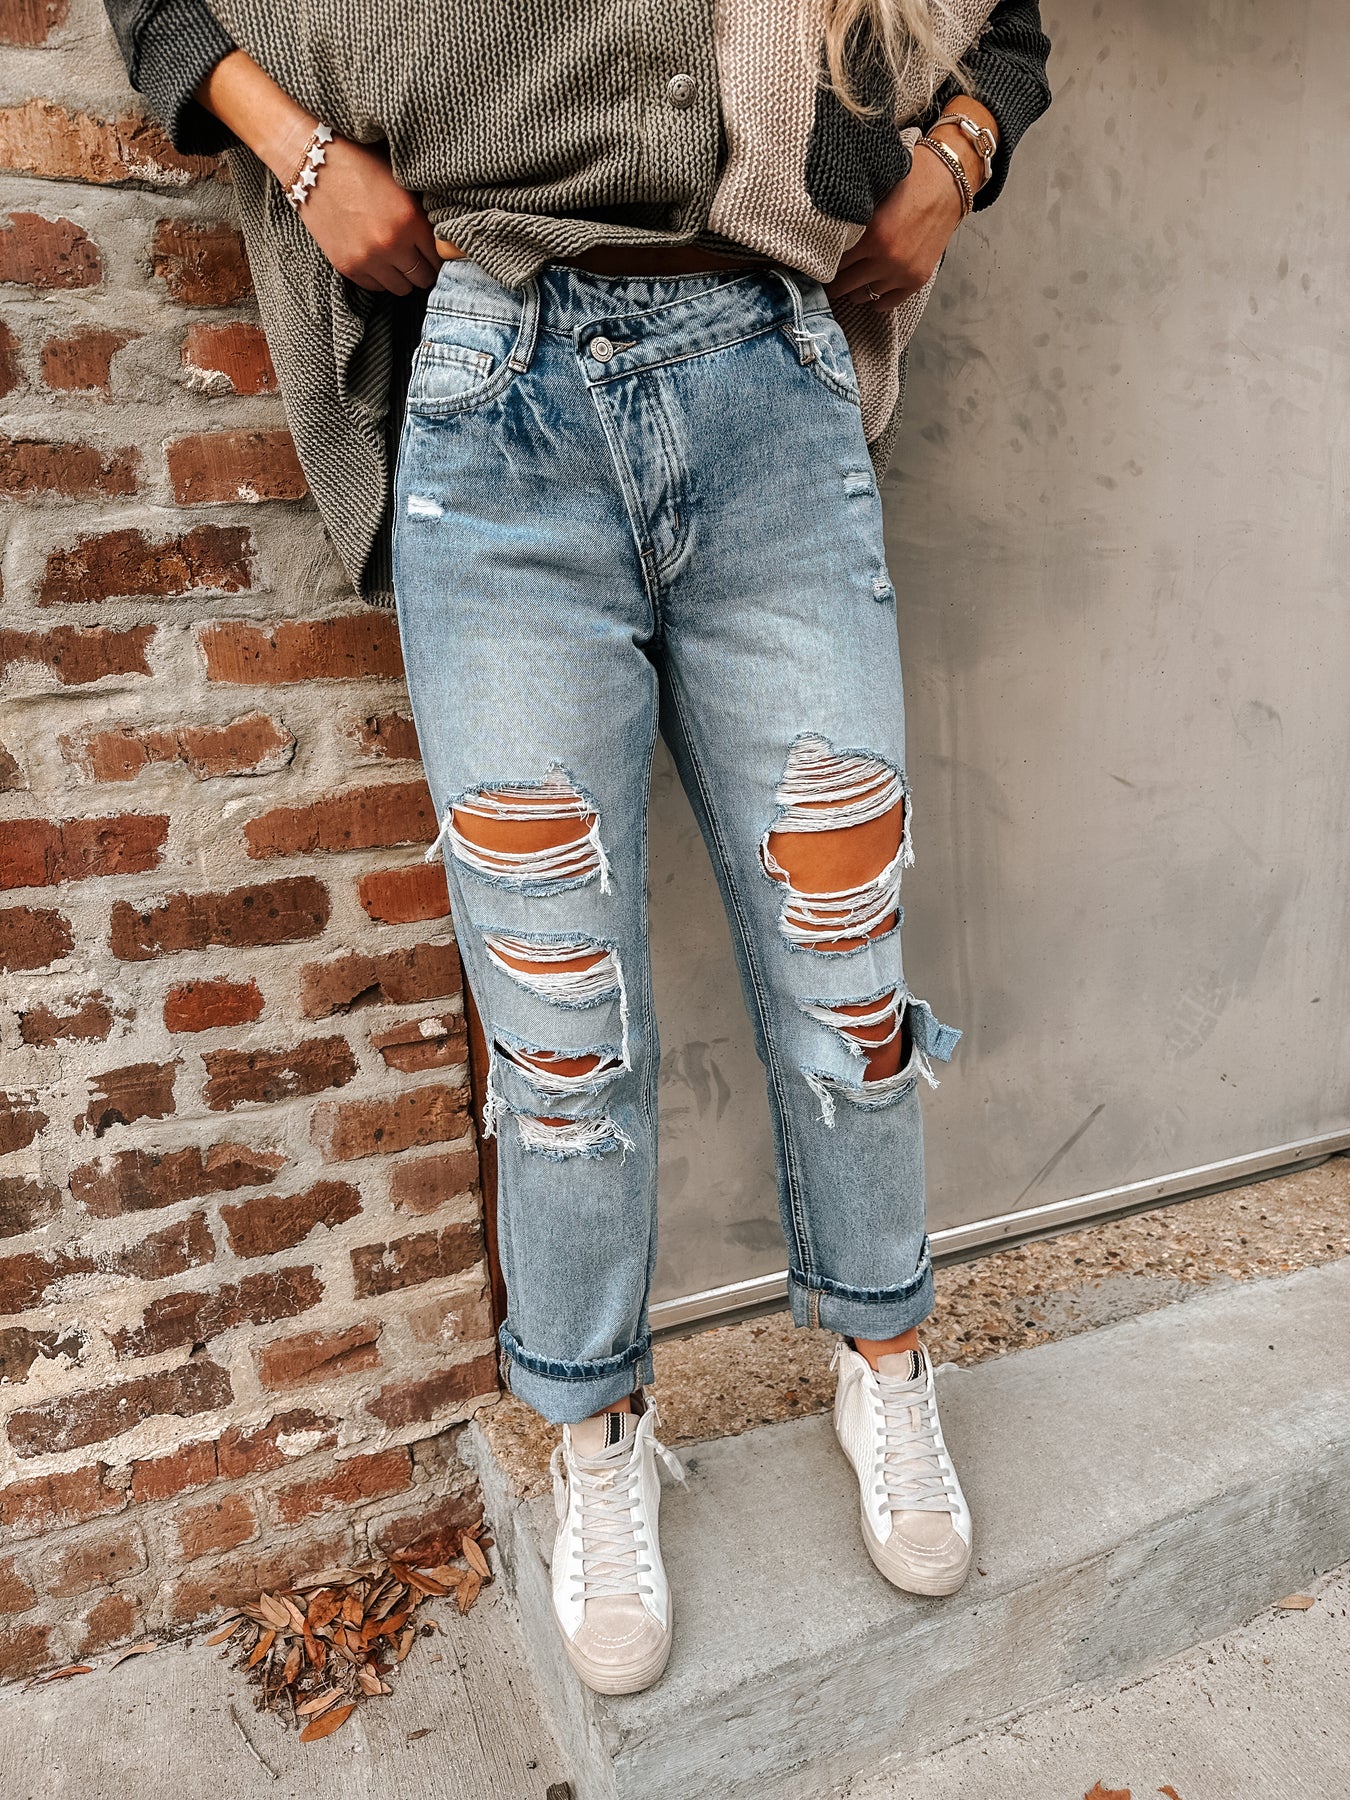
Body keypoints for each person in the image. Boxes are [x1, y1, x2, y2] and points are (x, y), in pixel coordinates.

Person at [106, 0, 1051, 1697]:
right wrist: (302, 157)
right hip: (495, 379)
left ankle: (885, 1360)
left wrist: (954, 161)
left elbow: (1012, 27)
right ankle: (594, 1427)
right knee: (555, 1017)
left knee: (845, 955)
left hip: (770, 378)